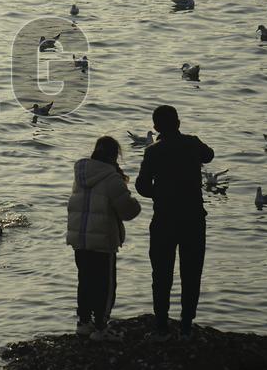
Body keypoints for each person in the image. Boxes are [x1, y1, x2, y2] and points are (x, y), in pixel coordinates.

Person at [135, 105, 214, 341]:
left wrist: (159, 193)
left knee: (161, 274)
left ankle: (161, 326)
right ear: (178, 123)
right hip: (193, 219)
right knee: (191, 273)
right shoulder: (192, 143)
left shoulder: (153, 152)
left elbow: (142, 186)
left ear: (156, 127)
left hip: (164, 219)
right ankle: (186, 326)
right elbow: (209, 155)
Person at [66, 136, 142, 340]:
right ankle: (101, 328)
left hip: (80, 239)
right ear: (114, 155)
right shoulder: (111, 178)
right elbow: (128, 211)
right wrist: (135, 201)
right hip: (102, 241)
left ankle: (84, 322)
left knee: (85, 282)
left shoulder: (80, 174)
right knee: (105, 286)